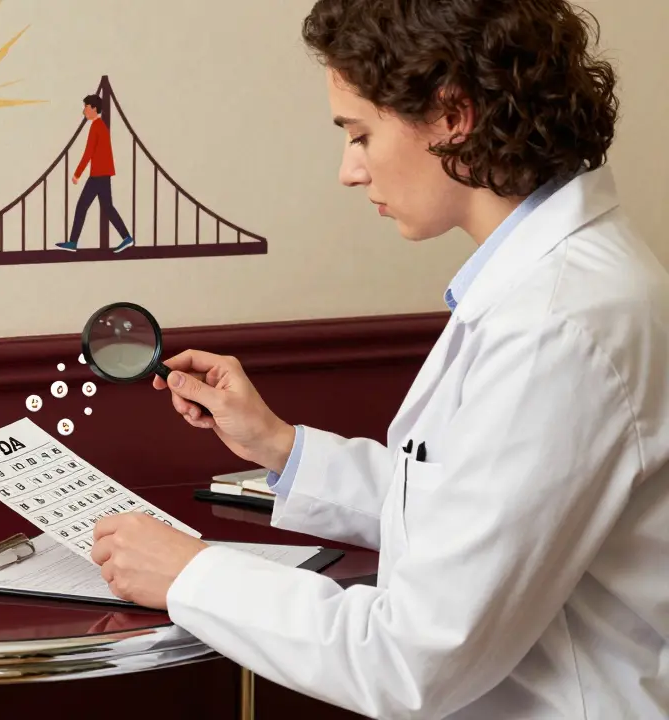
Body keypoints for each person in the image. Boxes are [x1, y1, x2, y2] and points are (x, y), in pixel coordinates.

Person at [90, 1, 669, 718]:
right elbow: (468, 508)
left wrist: (190, 573)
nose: (349, 171)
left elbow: (410, 660)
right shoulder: (556, 289)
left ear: (452, 114)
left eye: (359, 134)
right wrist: (279, 445)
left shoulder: (560, 324)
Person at [55, 94, 135, 253]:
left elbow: (88, 153)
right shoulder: (101, 126)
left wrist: (77, 173)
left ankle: (73, 242)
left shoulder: (96, 126)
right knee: (107, 207)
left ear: (93, 108)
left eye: (86, 107)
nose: (83, 110)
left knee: (82, 206)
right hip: (103, 174)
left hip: (98, 175)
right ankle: (126, 237)